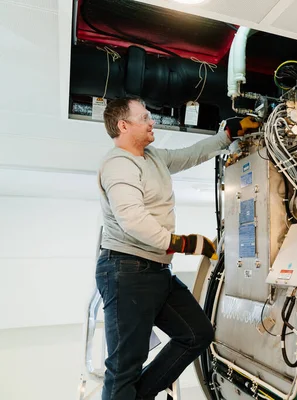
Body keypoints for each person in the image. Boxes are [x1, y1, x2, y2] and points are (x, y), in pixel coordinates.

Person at [95, 97, 258, 400]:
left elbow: (190, 155)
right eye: (144, 117)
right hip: (127, 271)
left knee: (197, 334)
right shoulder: (118, 165)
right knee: (124, 366)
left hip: (156, 270)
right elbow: (132, 219)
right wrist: (182, 243)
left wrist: (226, 136)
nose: (151, 121)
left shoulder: (152, 157)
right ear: (123, 125)